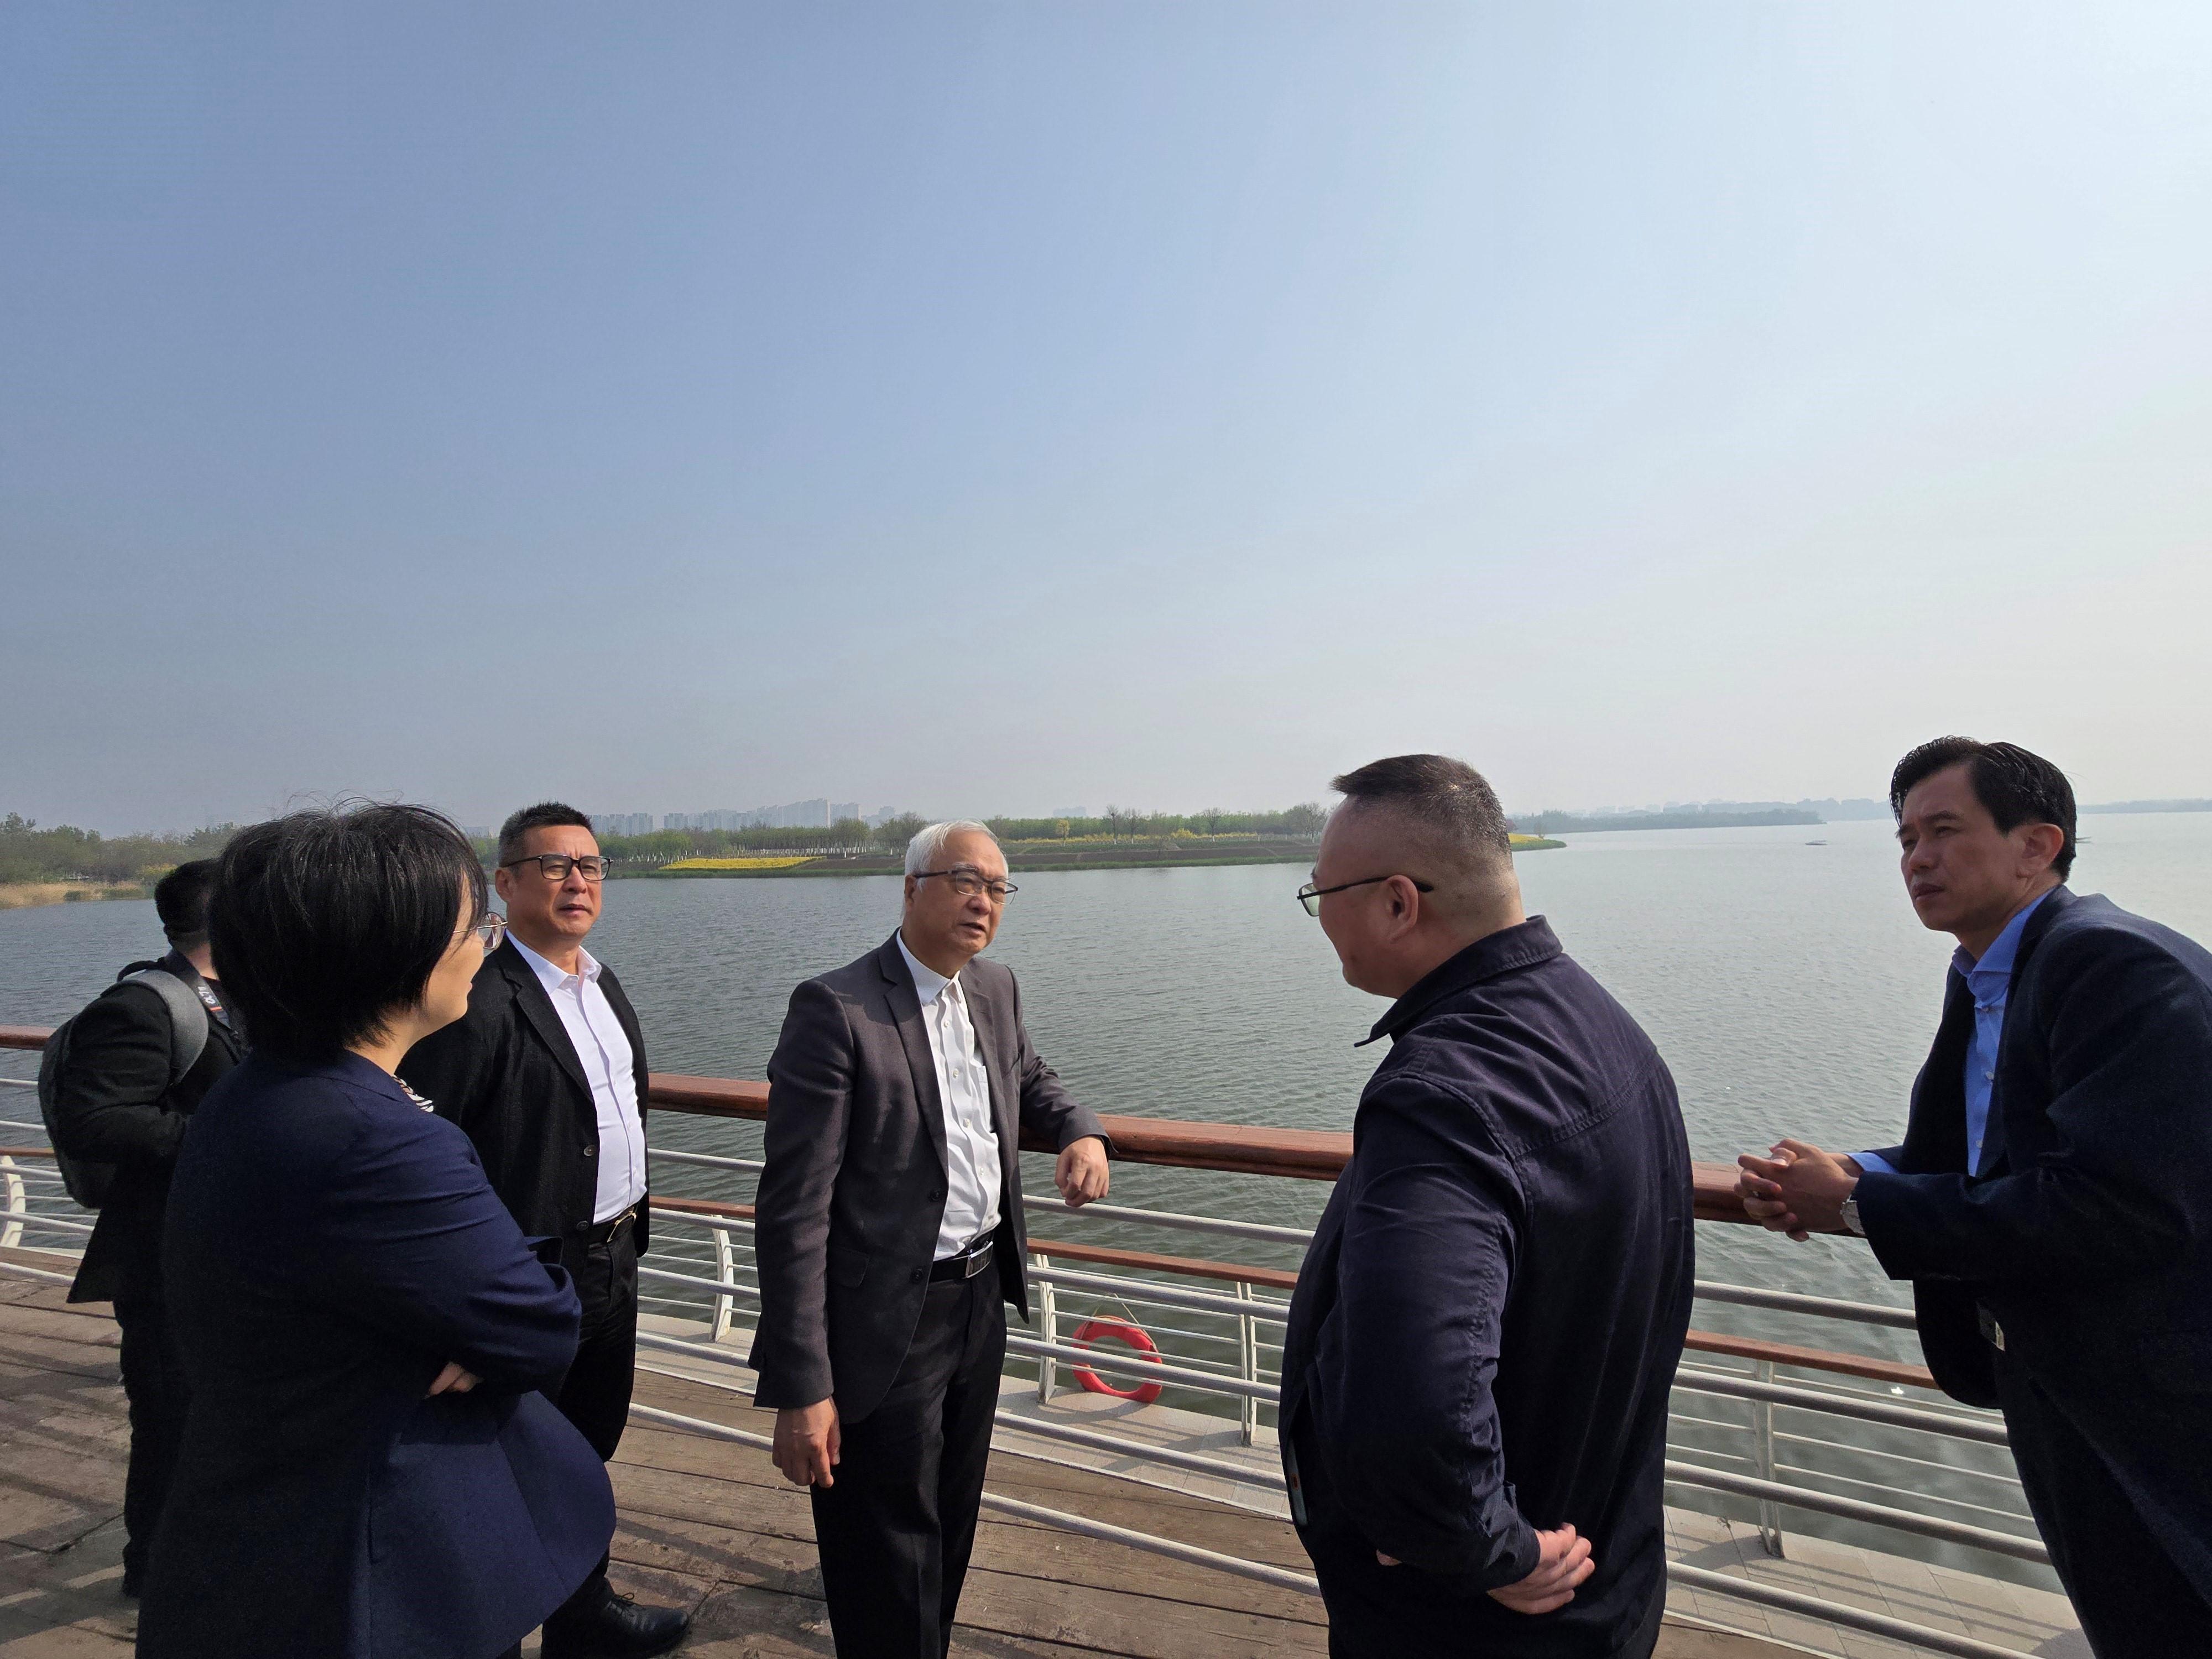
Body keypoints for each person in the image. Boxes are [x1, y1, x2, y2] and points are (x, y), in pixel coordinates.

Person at [1735, 738, 2212, 1655]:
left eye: (1944, 831)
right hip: (2065, 1384)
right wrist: (1858, 1173)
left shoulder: (2116, 969)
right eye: (1906, 838)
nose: (1917, 859)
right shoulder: (1996, 972)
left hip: (2162, 1406)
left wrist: (1857, 1207)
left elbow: (2122, 1203)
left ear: (2038, 844)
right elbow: (1994, 1155)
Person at [137, 804, 613, 1659]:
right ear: (396, 950)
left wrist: (477, 1309)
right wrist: (501, 1307)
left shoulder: (263, 1092)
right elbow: (539, 1331)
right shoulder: (376, 1134)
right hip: (372, 1573)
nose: (485, 946)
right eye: (477, 926)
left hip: (260, 1528)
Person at [1280, 755, 1693, 1659]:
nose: (1321, 922)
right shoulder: (1609, 1032)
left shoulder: (1443, 1092)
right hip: (1609, 1579)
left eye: (1321, 897)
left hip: (1476, 1623)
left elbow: (1411, 1399)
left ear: (1397, 902)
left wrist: (1480, 1547)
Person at [750, 819, 1113, 1659]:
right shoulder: (836, 1008)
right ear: (911, 888)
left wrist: (1080, 1131)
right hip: (885, 1318)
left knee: (951, 1512)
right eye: (964, 881)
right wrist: (803, 1384)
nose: (983, 901)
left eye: (998, 887)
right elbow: (793, 1209)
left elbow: (1027, 1076)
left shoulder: (993, 987)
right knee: (883, 1537)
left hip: (980, 1297)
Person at [400, 803, 689, 1659]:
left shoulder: (602, 984)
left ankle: (580, 1613)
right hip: (524, 1278)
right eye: (556, 866)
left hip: (610, 1259)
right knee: (496, 1463)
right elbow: (428, 1159)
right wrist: (456, 1307)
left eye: (592, 867)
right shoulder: (476, 1004)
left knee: (586, 1447)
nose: (578, 882)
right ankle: (487, 1631)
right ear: (507, 882)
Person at [43, 860, 244, 1598]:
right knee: (170, 1423)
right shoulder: (146, 1005)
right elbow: (91, 1118)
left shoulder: (236, 998)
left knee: (213, 1422)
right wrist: (223, 1134)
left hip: (223, 1258)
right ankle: (154, 1574)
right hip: (163, 1261)